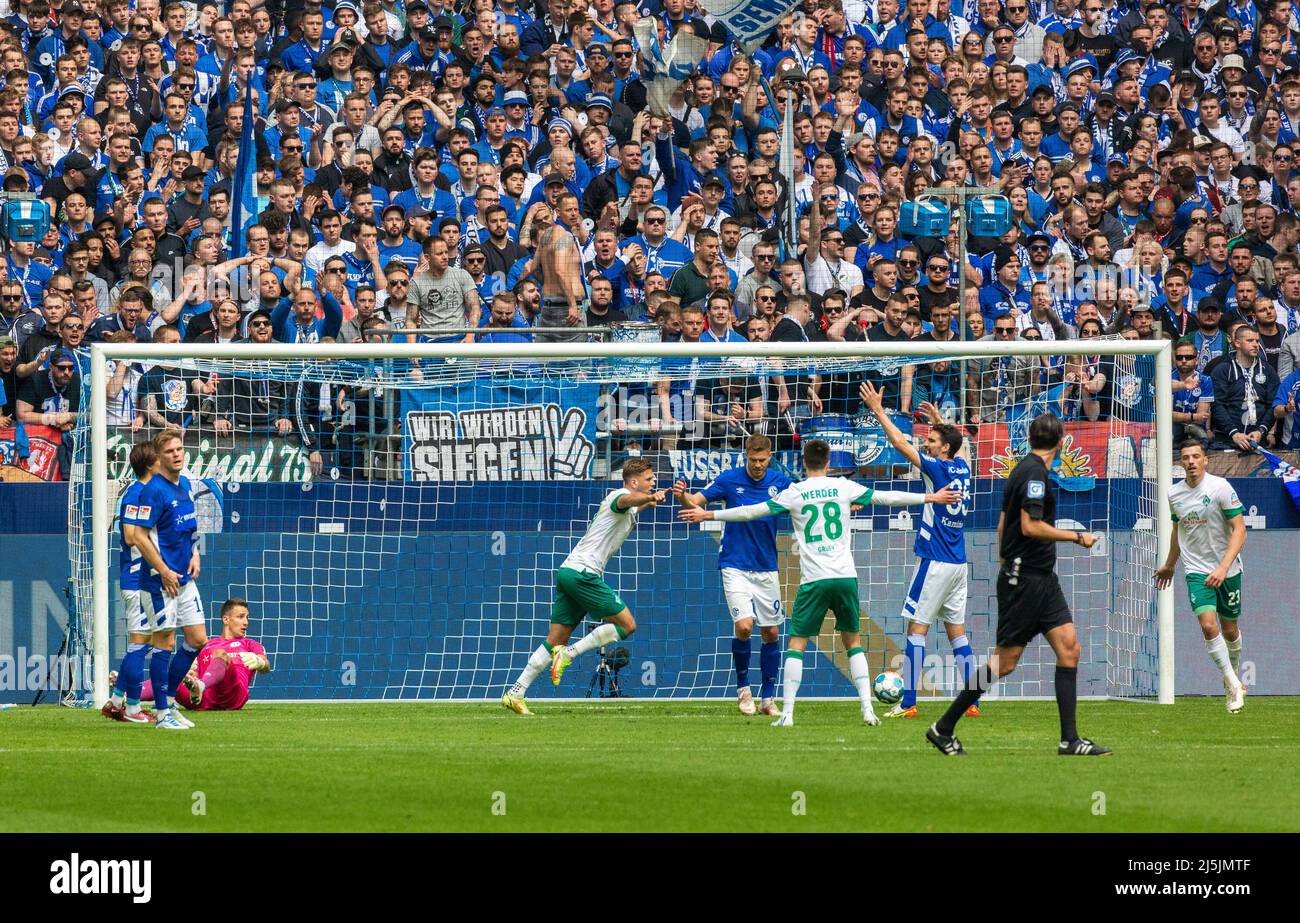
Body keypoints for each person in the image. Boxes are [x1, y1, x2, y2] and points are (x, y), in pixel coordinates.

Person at [678, 440, 959, 727]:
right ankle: (867, 710)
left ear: (803, 462)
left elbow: (751, 511)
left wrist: (709, 514)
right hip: (845, 578)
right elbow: (886, 497)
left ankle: (786, 714)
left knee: (796, 644)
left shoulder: (794, 492)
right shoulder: (843, 488)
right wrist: (930, 499)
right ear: (828, 463)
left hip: (814, 581)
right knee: (854, 643)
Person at [926, 413, 1112, 757]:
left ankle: (1069, 740)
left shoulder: (1022, 469)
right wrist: (1077, 537)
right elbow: (1030, 525)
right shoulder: (1035, 474)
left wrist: (1004, 556)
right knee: (1005, 662)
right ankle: (943, 727)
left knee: (1069, 648)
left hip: (1041, 577)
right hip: (1025, 580)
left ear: (1029, 439)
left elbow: (1003, 521)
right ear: (1061, 441)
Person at [502, 459, 665, 715]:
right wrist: (647, 498)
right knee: (627, 625)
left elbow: (635, 507)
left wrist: (651, 499)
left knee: (555, 639)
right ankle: (569, 655)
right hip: (583, 574)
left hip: (569, 571)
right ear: (633, 482)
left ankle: (516, 692)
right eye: (648, 478)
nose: (653, 481)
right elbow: (626, 501)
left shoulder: (630, 505)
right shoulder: (620, 495)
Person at [860, 382, 979, 720]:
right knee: (956, 631)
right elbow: (958, 447)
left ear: (942, 451)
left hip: (936, 560)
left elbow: (899, 443)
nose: (926, 443)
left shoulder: (938, 468)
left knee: (917, 629)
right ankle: (972, 701)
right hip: (959, 563)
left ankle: (909, 701)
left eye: (931, 441)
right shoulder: (962, 467)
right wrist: (940, 421)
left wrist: (879, 411)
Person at [672, 435, 792, 718]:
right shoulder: (729, 479)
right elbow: (695, 502)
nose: (758, 466)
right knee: (744, 627)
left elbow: (810, 499)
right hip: (734, 564)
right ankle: (743, 690)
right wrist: (681, 495)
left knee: (771, 632)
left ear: (770, 456)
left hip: (766, 567)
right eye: (753, 460)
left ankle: (768, 699)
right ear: (746, 456)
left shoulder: (781, 481)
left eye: (763, 460)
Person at [1155, 440, 1248, 714]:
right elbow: (1178, 530)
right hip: (1196, 570)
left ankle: (1232, 675)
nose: (1191, 461)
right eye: (1186, 458)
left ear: (1205, 460)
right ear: (1180, 462)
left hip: (1228, 569)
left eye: (1196, 456)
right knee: (1209, 626)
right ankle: (1232, 683)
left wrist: (1223, 567)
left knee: (1230, 629)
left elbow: (1240, 529)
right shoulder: (1174, 494)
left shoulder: (1220, 488)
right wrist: (1170, 564)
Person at [122, 429, 206, 731]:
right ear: (159, 458)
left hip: (184, 577)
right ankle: (160, 714)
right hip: (158, 581)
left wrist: (194, 552)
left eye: (180, 449)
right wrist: (164, 569)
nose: (177, 454)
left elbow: (186, 528)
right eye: (170, 451)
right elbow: (138, 536)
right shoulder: (151, 491)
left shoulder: (184, 485)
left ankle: (169, 702)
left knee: (197, 639)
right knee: (165, 642)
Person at [102, 440, 163, 724]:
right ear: (152, 465)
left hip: (144, 579)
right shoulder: (136, 494)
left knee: (145, 642)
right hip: (137, 578)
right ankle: (133, 708)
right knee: (140, 644)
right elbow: (129, 536)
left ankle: (115, 701)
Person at [135, 598, 271, 711]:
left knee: (221, 655)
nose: (246, 622)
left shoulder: (249, 644)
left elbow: (266, 666)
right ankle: (126, 694)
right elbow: (195, 671)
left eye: (247, 617)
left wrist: (260, 662)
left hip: (232, 696)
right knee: (170, 678)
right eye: (240, 617)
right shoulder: (206, 645)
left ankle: (200, 686)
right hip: (202, 699)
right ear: (226, 619)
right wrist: (191, 672)